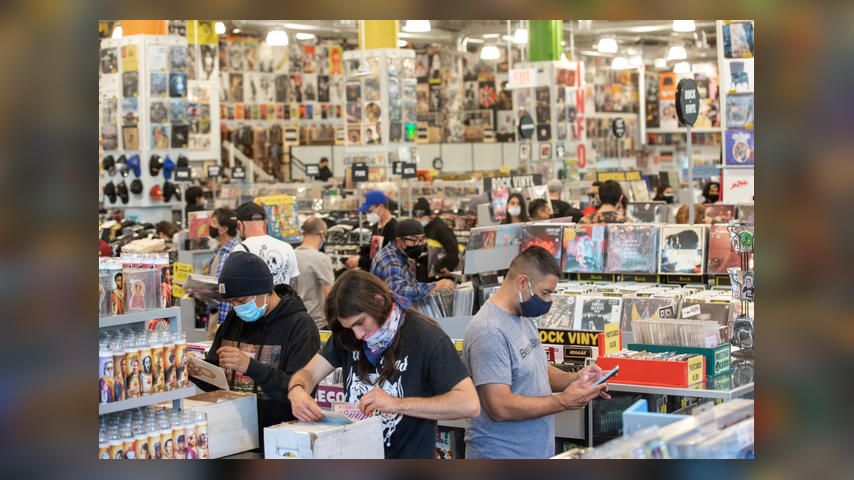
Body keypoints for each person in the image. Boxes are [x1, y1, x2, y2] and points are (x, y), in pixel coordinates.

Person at [287, 269, 480, 459]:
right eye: (350, 327)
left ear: (378, 301)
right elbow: (309, 374)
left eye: (360, 322)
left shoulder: (426, 337)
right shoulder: (348, 337)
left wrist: (396, 404)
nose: (358, 335)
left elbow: (469, 403)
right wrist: (296, 390)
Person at [462, 246, 610, 459]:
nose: (548, 301)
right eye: (545, 292)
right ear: (523, 283)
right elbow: (499, 407)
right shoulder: (488, 332)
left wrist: (576, 379)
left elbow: (538, 370)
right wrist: (563, 401)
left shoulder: (522, 316)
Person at [188, 251, 320, 444]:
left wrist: (250, 367)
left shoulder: (300, 327)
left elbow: (302, 392)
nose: (237, 308)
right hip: (232, 435)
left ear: (264, 289)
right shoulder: (234, 320)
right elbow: (217, 380)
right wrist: (196, 369)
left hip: (281, 439)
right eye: (231, 302)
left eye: (241, 301)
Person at [371, 220, 455, 309]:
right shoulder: (390, 260)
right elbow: (399, 293)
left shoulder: (401, 255)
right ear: (399, 241)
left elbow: (411, 285)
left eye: (421, 240)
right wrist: (432, 287)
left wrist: (436, 285)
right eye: (414, 240)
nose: (419, 244)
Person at [235, 201, 300, 288]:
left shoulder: (240, 249)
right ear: (265, 223)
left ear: (240, 224)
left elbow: (237, 286)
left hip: (257, 301)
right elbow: (294, 282)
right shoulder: (287, 247)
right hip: (284, 300)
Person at [205, 207, 240, 340]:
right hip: (215, 311)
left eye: (214, 222)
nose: (210, 226)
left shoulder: (235, 251)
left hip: (226, 314)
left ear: (224, 228)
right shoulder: (218, 250)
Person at [295, 217, 335, 330]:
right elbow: (330, 295)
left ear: (303, 232)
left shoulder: (292, 255)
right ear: (322, 233)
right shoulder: (321, 259)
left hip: (295, 321)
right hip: (317, 322)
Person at [345, 190, 398, 271]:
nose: (368, 214)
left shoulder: (394, 227)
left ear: (380, 206)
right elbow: (374, 254)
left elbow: (387, 258)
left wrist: (360, 261)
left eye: (369, 211)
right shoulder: (377, 225)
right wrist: (358, 259)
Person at [411, 197, 460, 279]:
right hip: (424, 275)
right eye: (415, 217)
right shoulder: (420, 229)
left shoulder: (440, 228)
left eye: (421, 217)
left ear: (428, 215)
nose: (418, 220)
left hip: (439, 275)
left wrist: (444, 266)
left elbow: (453, 249)